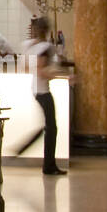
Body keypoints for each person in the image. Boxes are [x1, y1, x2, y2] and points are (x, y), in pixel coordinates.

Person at [18, 16, 66, 175]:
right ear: (47, 30)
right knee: (51, 127)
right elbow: (42, 71)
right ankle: (48, 165)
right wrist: (61, 74)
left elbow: (26, 67)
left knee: (48, 126)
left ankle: (44, 161)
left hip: (35, 89)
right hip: (43, 91)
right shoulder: (46, 47)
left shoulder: (27, 45)